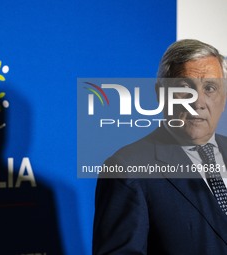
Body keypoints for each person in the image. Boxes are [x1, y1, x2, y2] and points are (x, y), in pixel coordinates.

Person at [93, 39, 227, 254]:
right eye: (185, 88)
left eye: (210, 88)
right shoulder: (127, 169)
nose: (198, 102)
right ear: (161, 95)